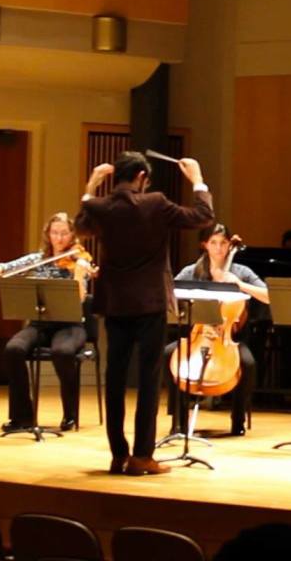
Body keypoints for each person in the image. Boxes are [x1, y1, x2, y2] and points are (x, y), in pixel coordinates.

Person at [75, 151, 214, 476]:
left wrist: (91, 185)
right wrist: (197, 180)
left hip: (116, 304)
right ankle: (142, 457)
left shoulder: (101, 207)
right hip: (150, 303)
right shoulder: (155, 202)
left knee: (115, 378)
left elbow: (81, 227)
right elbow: (202, 216)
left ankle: (118, 455)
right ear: (141, 177)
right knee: (149, 380)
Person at [0, 212, 96, 433]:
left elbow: (79, 299)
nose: (59, 238)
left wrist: (79, 274)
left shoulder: (79, 260)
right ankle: (22, 416)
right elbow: (9, 266)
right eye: (54, 233)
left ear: (72, 235)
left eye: (64, 233)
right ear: (48, 235)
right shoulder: (38, 258)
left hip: (70, 324)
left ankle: (70, 413)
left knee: (63, 352)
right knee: (13, 349)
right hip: (40, 324)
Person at [165, 224, 268, 436]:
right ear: (204, 245)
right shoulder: (192, 271)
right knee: (169, 354)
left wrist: (240, 285)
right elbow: (170, 295)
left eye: (223, 243)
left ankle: (237, 419)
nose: (219, 248)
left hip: (229, 339)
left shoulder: (241, 272)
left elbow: (269, 296)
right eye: (213, 242)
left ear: (230, 244)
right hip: (197, 335)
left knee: (247, 364)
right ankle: (178, 421)